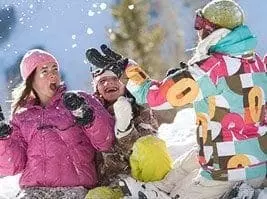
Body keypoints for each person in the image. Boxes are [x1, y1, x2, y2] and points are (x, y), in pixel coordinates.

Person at [90, 0, 267, 198]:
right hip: (257, 162)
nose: (197, 31)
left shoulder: (210, 69)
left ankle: (235, 194)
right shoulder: (256, 63)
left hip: (226, 170)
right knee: (192, 158)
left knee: (181, 193)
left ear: (211, 30)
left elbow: (154, 97)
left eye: (200, 25)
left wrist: (127, 71)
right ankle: (159, 188)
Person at [0, 49, 115, 199]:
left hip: (76, 189)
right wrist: (3, 140)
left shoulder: (79, 100)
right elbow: (12, 166)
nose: (53, 74)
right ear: (31, 79)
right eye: (45, 71)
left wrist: (88, 118)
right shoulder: (21, 116)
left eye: (55, 68)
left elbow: (106, 142)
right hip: (34, 192)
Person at [84, 46, 173, 199]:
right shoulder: (91, 117)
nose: (108, 84)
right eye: (102, 81)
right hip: (115, 184)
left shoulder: (139, 107)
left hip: (146, 177)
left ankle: (156, 193)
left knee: (151, 145)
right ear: (97, 88)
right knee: (95, 196)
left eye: (114, 79)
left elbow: (145, 143)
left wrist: (125, 127)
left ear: (124, 83)